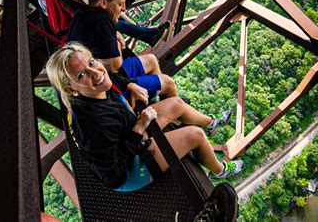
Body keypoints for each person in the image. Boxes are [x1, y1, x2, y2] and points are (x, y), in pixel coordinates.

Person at [45, 42, 243, 191]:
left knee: (176, 104)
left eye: (91, 62)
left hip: (127, 134)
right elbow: (113, 173)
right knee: (195, 136)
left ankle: (211, 123)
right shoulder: (94, 124)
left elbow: (110, 76)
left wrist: (129, 84)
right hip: (129, 170)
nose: (96, 73)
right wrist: (139, 128)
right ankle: (220, 170)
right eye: (82, 75)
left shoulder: (95, 87)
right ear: (71, 90)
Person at [66, 0, 175, 102]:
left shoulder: (84, 11)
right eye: (119, 3)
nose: (123, 8)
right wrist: (118, 43)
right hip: (105, 85)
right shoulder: (102, 21)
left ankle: (155, 100)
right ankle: (168, 106)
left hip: (97, 76)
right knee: (169, 83)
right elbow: (115, 67)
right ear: (103, 3)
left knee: (151, 59)